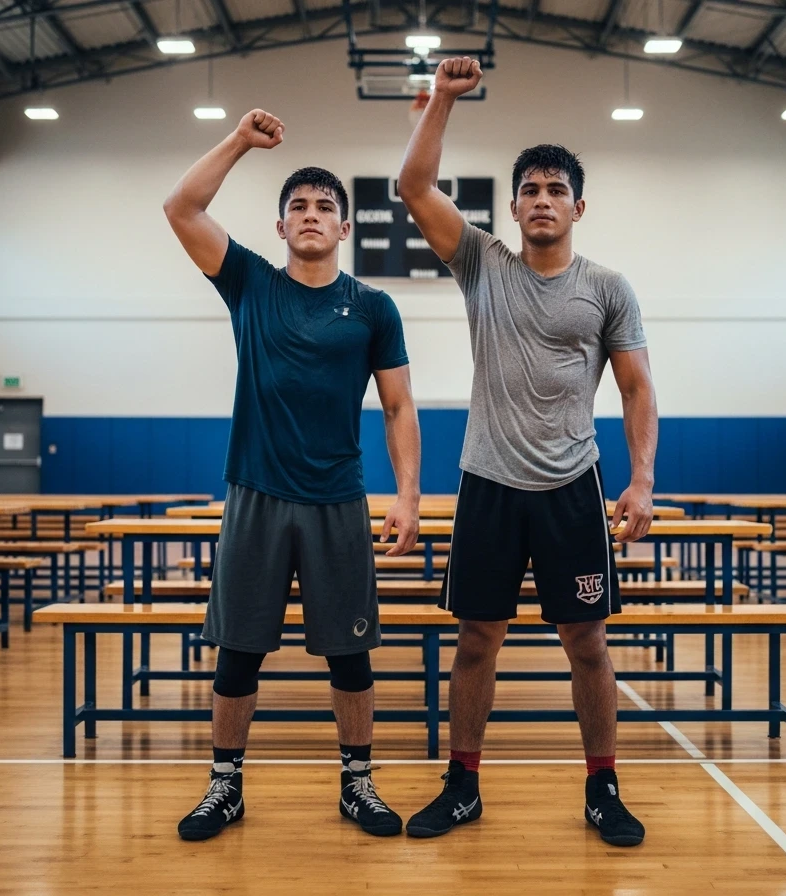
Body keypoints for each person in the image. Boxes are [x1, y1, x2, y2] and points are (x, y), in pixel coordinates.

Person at [396, 58, 658, 847]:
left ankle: (602, 786)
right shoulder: (482, 264)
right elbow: (413, 186)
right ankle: (463, 783)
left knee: (588, 641)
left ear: (579, 205)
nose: (542, 201)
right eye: (530, 191)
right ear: (511, 207)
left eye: (556, 191)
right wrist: (441, 99)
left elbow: (638, 389)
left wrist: (642, 479)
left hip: (573, 488)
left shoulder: (608, 288)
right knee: (478, 638)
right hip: (489, 486)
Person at [163, 109, 422, 841]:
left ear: (345, 228)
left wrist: (407, 495)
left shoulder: (373, 307)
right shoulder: (248, 282)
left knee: (351, 652)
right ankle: (225, 786)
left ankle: (357, 783)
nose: (312, 216)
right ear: (280, 228)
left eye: (325, 208)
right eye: (298, 208)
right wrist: (241, 140)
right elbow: (182, 206)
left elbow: (399, 406)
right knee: (239, 651)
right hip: (256, 493)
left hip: (338, 499)